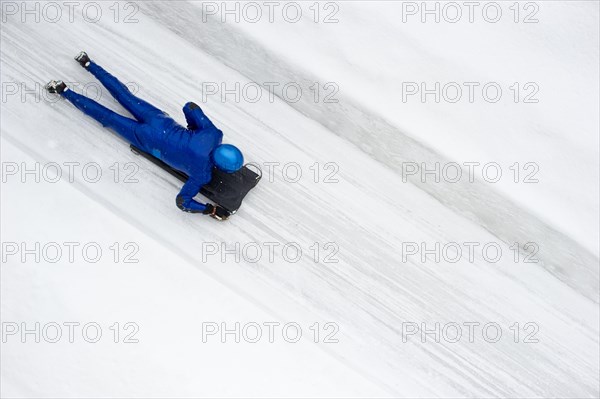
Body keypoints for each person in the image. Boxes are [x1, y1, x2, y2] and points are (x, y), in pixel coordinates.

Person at [45, 51, 243, 217]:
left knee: (125, 96)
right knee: (109, 117)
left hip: (159, 121)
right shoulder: (203, 174)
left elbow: (190, 106)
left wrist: (192, 128)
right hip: (148, 139)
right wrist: (209, 209)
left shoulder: (213, 134)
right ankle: (64, 90)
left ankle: (87, 63)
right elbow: (183, 202)